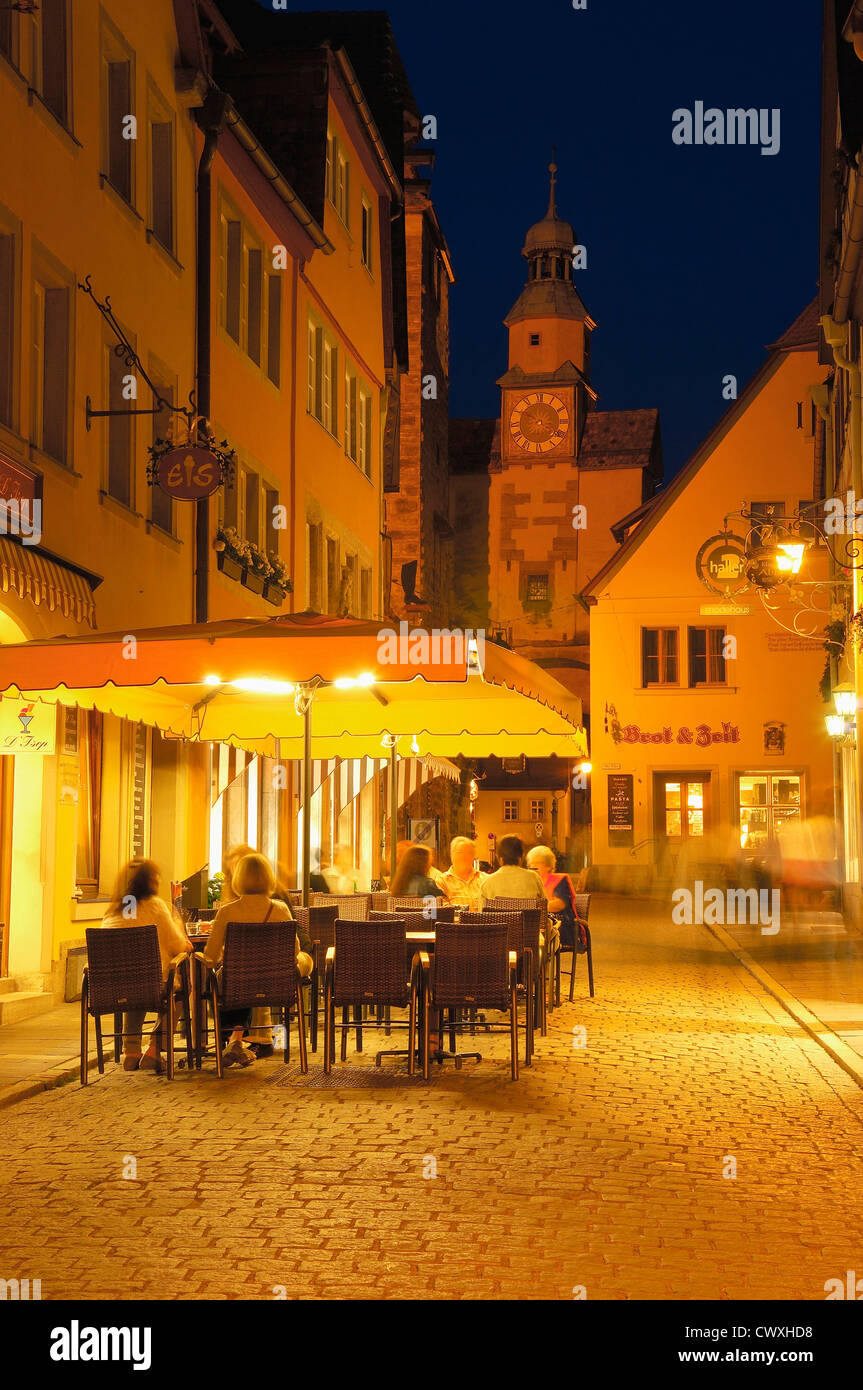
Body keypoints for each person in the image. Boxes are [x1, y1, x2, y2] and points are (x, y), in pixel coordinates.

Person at [203, 852, 313, 1068]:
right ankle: (248, 1043)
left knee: (221, 977)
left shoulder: (226, 912)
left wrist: (226, 957)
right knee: (243, 977)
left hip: (237, 983)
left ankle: (227, 1039)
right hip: (276, 983)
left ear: (238, 878)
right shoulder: (279, 909)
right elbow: (295, 950)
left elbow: (210, 956)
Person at [101, 858, 194, 1073]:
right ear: (150, 881)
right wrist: (184, 945)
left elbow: (126, 930)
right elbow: (175, 943)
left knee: (135, 989)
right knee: (180, 989)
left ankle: (131, 1052)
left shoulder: (115, 910)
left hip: (114, 985)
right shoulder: (156, 907)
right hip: (152, 982)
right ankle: (155, 1048)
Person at [525, 845, 582, 947]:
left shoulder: (559, 881)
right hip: (543, 923)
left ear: (548, 865)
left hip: (561, 925)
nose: (532, 867)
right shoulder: (534, 881)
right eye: (530, 865)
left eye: (536, 864)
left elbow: (560, 904)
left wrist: (534, 907)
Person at [480, 835, 554, 906]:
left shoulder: (487, 883)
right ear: (520, 858)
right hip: (528, 919)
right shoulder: (534, 878)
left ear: (500, 859)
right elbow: (545, 907)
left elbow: (482, 914)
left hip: (496, 919)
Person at [440, 836, 487, 910]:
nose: (464, 856)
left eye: (469, 853)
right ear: (451, 855)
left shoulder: (485, 880)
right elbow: (443, 914)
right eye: (460, 852)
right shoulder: (442, 882)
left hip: (483, 921)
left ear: (473, 856)